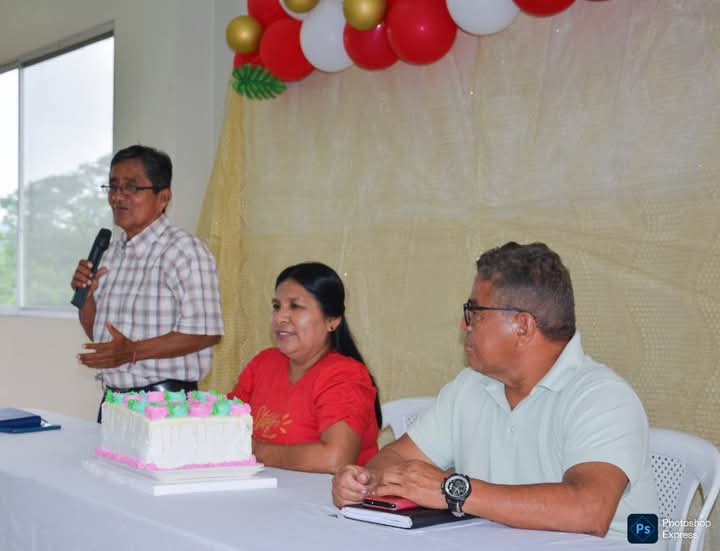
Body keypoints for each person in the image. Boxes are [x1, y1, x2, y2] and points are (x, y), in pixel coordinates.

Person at [332, 242, 659, 541]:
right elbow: (398, 457)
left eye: (474, 312)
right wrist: (365, 481)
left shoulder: (601, 397)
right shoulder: (471, 386)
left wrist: (454, 491)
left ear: (523, 326)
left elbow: (589, 510)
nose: (464, 325)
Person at [70, 145, 223, 420]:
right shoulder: (110, 253)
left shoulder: (184, 251)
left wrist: (132, 352)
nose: (118, 197)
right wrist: (87, 297)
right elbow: (102, 337)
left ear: (163, 197)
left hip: (167, 406)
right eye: (113, 186)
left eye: (131, 187)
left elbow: (206, 332)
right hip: (114, 402)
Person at [228, 262, 381, 474]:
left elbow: (335, 459)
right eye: (276, 306)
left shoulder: (344, 375)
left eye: (296, 306)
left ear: (332, 320)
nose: (280, 318)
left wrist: (253, 450)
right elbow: (224, 427)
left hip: (326, 493)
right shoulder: (264, 362)